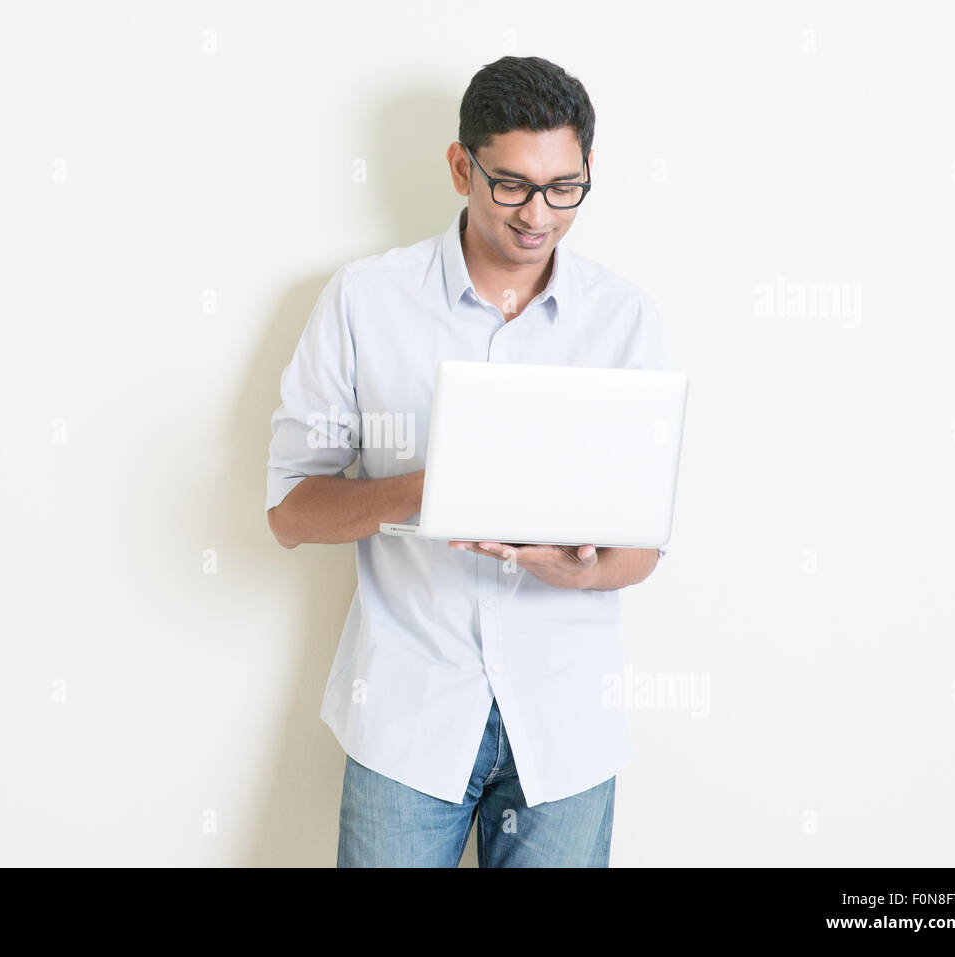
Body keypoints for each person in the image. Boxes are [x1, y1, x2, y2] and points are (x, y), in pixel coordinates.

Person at [264, 55, 672, 867]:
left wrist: (581, 568)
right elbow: (289, 512)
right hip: (411, 715)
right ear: (462, 167)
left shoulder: (622, 318)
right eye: (512, 185)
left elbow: (644, 546)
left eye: (565, 188)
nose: (539, 215)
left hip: (565, 727)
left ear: (589, 171)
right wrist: (432, 487)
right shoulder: (364, 300)